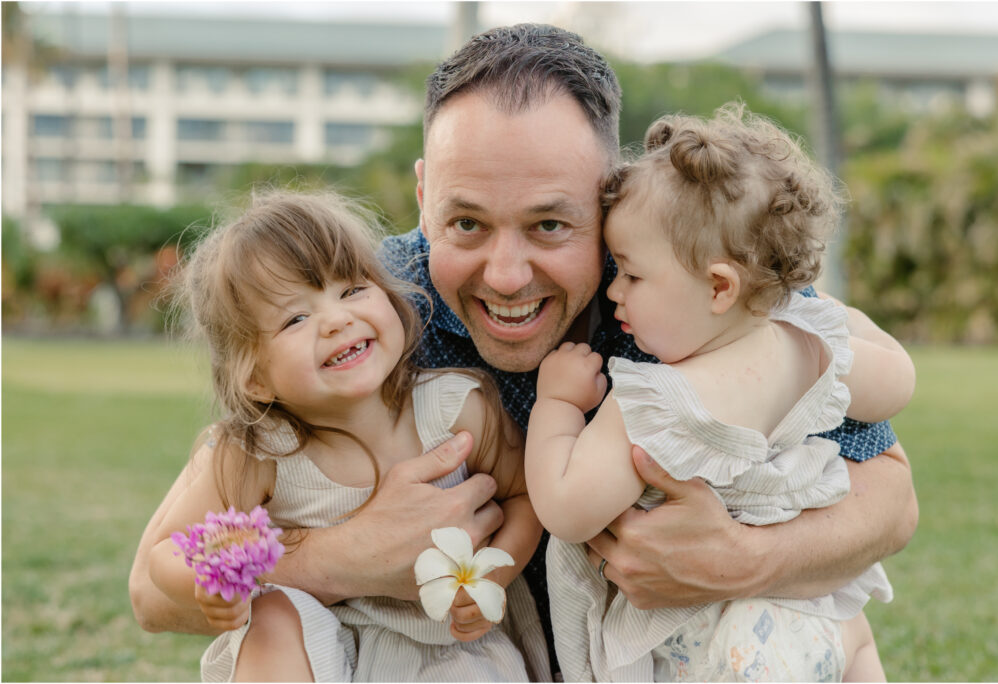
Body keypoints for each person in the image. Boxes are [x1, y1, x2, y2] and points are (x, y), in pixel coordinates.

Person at [130, 23, 918, 676]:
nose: (505, 277)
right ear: (422, 193)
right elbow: (151, 589)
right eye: (466, 222)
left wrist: (742, 559)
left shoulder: (689, 285)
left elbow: (890, 496)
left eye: (550, 224)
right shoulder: (377, 303)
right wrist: (340, 557)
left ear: (612, 194)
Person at [525, 104, 914, 681]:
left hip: (728, 647)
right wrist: (824, 311)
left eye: (632, 273)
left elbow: (566, 508)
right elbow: (899, 381)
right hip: (825, 618)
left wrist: (555, 403)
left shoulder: (659, 402)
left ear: (718, 286)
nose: (613, 290)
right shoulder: (814, 346)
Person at [145, 192, 549, 681]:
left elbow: (526, 496)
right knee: (272, 615)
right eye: (296, 318)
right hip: (323, 654)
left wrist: (491, 577)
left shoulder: (458, 409)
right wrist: (210, 584)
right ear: (254, 378)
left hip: (448, 654)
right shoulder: (261, 452)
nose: (338, 320)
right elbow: (166, 553)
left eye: (353, 290)